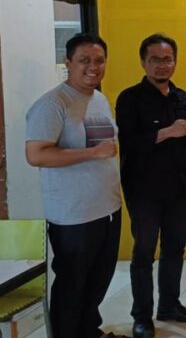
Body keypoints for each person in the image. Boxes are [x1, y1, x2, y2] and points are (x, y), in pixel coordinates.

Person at [25, 33, 125, 338]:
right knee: (72, 285)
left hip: (106, 208)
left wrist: (100, 155)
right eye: (84, 60)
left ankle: (89, 331)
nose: (93, 67)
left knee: (98, 281)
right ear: (68, 62)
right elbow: (36, 154)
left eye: (99, 60)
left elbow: (104, 147)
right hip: (74, 215)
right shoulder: (53, 103)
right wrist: (92, 153)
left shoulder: (98, 99)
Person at [116, 33, 186, 338]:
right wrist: (166, 132)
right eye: (155, 59)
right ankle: (142, 317)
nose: (162, 65)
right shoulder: (130, 98)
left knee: (175, 249)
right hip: (143, 191)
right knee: (143, 253)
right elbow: (128, 142)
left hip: (178, 187)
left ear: (174, 62)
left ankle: (169, 305)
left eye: (167, 59)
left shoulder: (181, 97)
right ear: (143, 62)